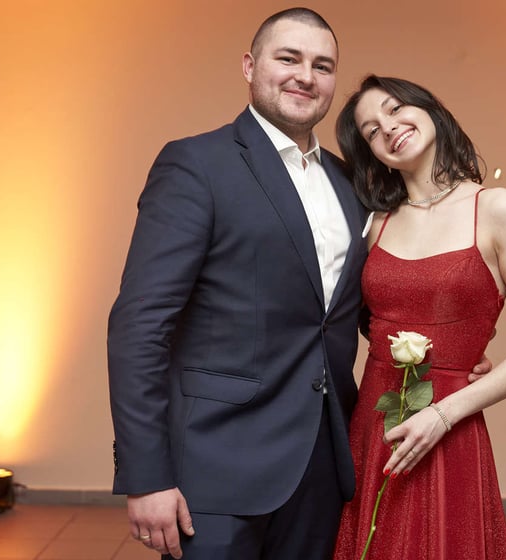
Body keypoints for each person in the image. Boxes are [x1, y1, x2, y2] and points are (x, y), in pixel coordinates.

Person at [106, 8, 366, 560]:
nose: (305, 76)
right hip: (215, 467)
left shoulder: (349, 182)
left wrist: (450, 350)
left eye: (322, 66)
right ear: (250, 66)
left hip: (322, 467)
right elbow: (140, 326)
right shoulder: (196, 164)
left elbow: (349, 307)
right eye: (288, 58)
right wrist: (146, 475)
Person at [333, 75, 506, 559]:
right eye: (371, 131)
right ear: (373, 155)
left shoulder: (498, 208)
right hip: (374, 426)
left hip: (449, 427)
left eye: (395, 109)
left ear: (429, 109)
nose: (387, 127)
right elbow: (364, 322)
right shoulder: (375, 224)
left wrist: (443, 412)